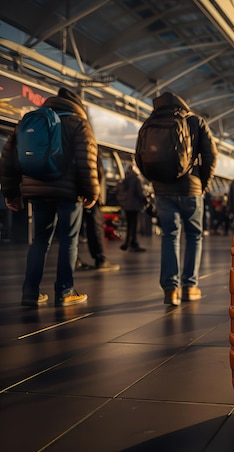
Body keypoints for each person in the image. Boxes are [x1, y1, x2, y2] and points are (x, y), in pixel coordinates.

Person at [0, 87, 100, 307]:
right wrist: (92, 192)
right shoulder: (79, 124)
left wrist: (11, 192)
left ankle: (30, 293)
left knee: (39, 240)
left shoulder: (30, 121)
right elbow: (87, 161)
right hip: (68, 193)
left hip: (37, 191)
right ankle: (65, 291)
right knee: (68, 240)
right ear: (76, 106)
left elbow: (8, 158)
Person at [142, 91, 218, 306]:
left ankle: (170, 290)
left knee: (170, 236)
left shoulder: (151, 121)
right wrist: (203, 184)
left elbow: (140, 155)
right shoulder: (195, 121)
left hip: (163, 191)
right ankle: (190, 286)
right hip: (191, 189)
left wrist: (155, 181)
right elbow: (211, 155)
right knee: (194, 236)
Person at [76, 157, 121, 271]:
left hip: (72, 193)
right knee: (95, 227)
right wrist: (95, 195)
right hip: (88, 194)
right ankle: (100, 259)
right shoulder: (88, 143)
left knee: (73, 230)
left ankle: (74, 260)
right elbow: (96, 171)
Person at [117, 162, 147, 252]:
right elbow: (140, 193)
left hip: (126, 206)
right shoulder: (136, 179)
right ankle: (133, 243)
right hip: (134, 205)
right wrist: (145, 201)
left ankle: (127, 243)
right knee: (134, 225)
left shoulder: (126, 179)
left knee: (129, 224)